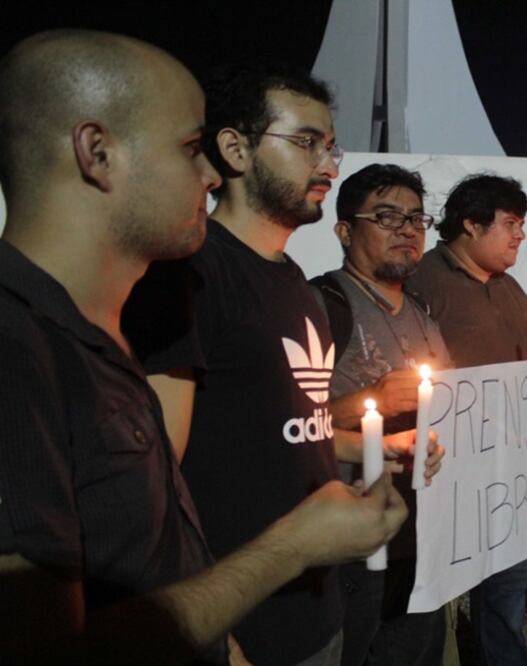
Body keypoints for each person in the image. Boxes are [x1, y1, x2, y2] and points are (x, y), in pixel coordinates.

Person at [0, 30, 407, 663]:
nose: (210, 173)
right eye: (191, 148)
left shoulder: (93, 329)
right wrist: (290, 550)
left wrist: (367, 448)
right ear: (95, 152)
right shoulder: (26, 352)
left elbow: (201, 481)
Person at [121, 62, 435, 664]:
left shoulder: (293, 281)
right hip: (244, 623)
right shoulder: (191, 276)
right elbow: (151, 484)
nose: (328, 166)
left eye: (330, 146)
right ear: (235, 149)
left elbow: (287, 430)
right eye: (305, 142)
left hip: (316, 608)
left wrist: (375, 446)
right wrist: (217, 638)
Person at [310, 163, 451, 664]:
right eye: (387, 217)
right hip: (350, 535)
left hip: (421, 530)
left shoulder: (422, 314)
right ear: (345, 231)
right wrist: (366, 400)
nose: (407, 230)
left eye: (416, 218)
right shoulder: (320, 306)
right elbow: (278, 429)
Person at [408, 174, 527, 666]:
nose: (521, 235)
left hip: (513, 469)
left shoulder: (509, 287)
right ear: (471, 224)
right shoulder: (424, 281)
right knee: (439, 600)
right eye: (510, 223)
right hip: (452, 472)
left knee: (509, 585)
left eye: (522, 224)